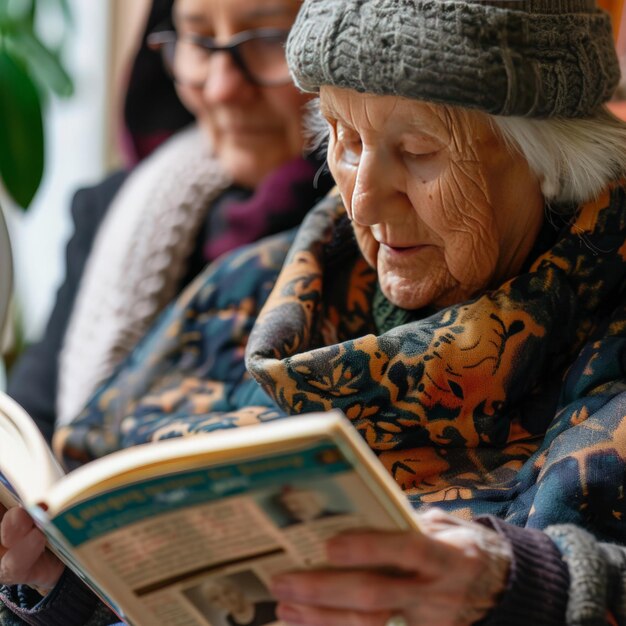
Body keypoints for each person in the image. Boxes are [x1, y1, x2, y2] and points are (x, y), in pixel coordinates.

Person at [2, 0, 626, 624]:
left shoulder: (606, 348)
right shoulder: (246, 287)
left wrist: (523, 588)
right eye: (346, 141)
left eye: (416, 150)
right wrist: (57, 580)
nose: (364, 202)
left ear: (548, 156)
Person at [6, 0, 333, 442]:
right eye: (198, 41)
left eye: (269, 40)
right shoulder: (111, 211)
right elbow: (32, 425)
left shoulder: (383, 228)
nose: (221, 87)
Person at [200, 577, 278, 626]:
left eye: (227, 592)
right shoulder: (230, 618)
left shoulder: (269, 608)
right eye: (216, 598)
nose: (225, 600)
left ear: (237, 590)